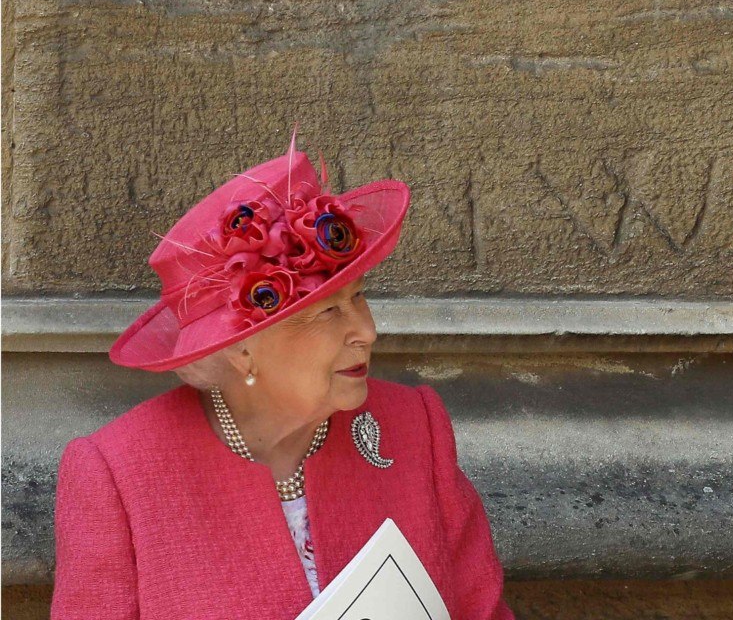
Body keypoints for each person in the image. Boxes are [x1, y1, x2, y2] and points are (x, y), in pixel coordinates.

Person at [52, 143, 515, 619]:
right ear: (242, 349)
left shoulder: (415, 426)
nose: (366, 331)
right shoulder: (117, 475)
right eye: (329, 311)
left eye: (359, 297)